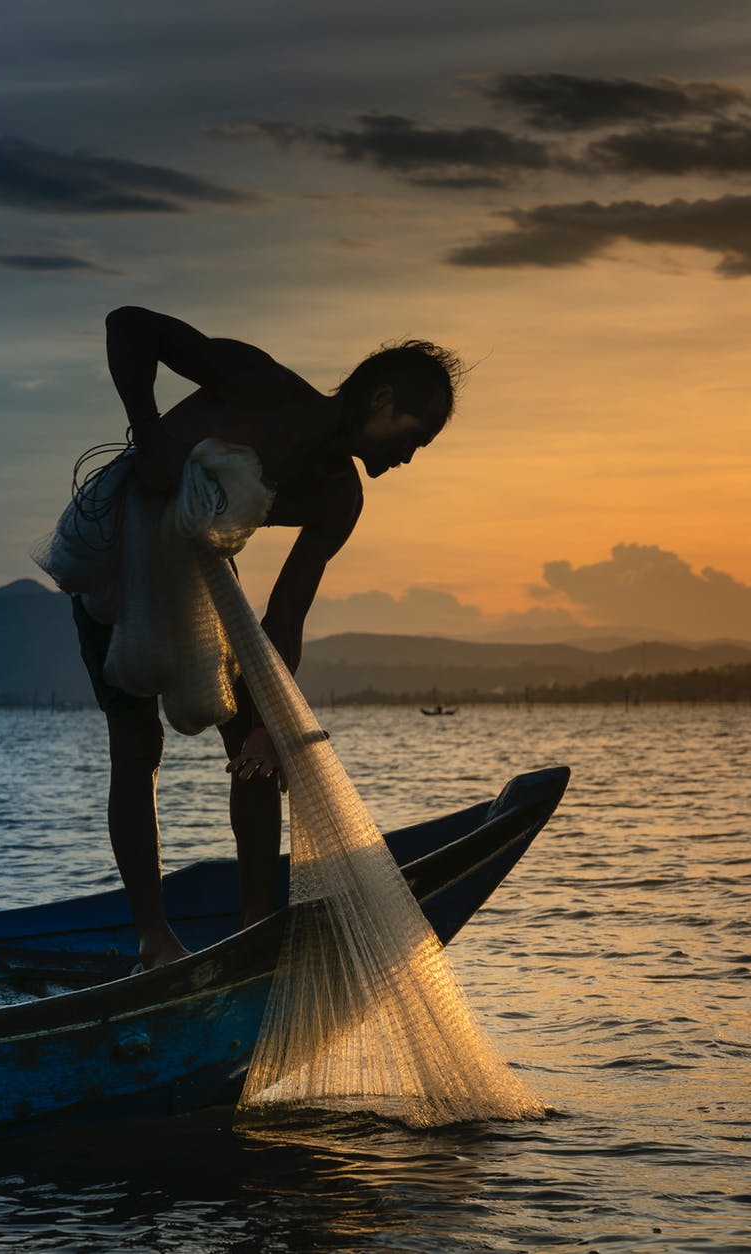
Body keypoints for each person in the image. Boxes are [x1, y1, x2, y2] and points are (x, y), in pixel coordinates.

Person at [76, 305, 460, 970]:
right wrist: (150, 434)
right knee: (137, 742)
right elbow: (128, 324)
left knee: (260, 732)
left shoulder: (339, 498)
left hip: (200, 575)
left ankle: (255, 920)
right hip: (120, 554)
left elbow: (285, 617)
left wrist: (269, 727)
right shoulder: (261, 388)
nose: (408, 456)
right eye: (412, 435)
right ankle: (153, 939)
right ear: (382, 397)